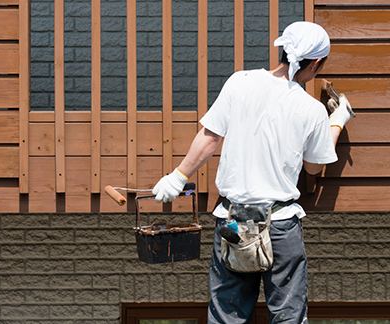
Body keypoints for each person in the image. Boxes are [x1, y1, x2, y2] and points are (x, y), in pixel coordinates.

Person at [151, 21, 353, 323]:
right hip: (280, 226)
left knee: (227, 317)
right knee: (288, 318)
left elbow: (210, 137)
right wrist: (335, 122)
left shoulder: (240, 82)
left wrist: (178, 176)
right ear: (317, 63)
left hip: (233, 224)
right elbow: (313, 166)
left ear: (283, 50)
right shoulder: (311, 110)